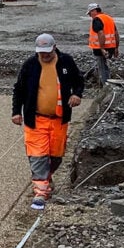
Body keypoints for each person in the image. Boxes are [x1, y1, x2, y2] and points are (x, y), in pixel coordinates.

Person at [11, 33, 85, 211]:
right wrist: (16, 112)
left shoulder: (66, 62)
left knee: (56, 156)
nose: (44, 55)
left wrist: (77, 94)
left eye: (47, 51)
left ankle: (45, 179)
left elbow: (79, 81)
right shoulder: (30, 65)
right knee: (38, 155)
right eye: (41, 52)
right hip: (35, 119)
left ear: (54, 47)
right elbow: (19, 89)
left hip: (59, 120)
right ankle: (40, 194)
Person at [87, 2, 119, 85]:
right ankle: (107, 83)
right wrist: (116, 48)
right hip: (111, 47)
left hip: (100, 48)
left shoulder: (97, 19)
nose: (90, 15)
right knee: (104, 66)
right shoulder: (109, 18)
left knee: (102, 67)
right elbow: (116, 33)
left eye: (90, 13)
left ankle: (105, 86)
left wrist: (102, 48)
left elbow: (101, 33)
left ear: (94, 11)